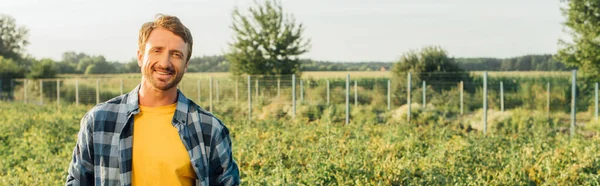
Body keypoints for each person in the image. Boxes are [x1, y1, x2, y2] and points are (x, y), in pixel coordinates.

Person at [65, 14, 240, 186]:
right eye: (157, 50)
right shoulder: (99, 121)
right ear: (140, 56)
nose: (165, 63)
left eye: (176, 54)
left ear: (186, 64)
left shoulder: (209, 129)